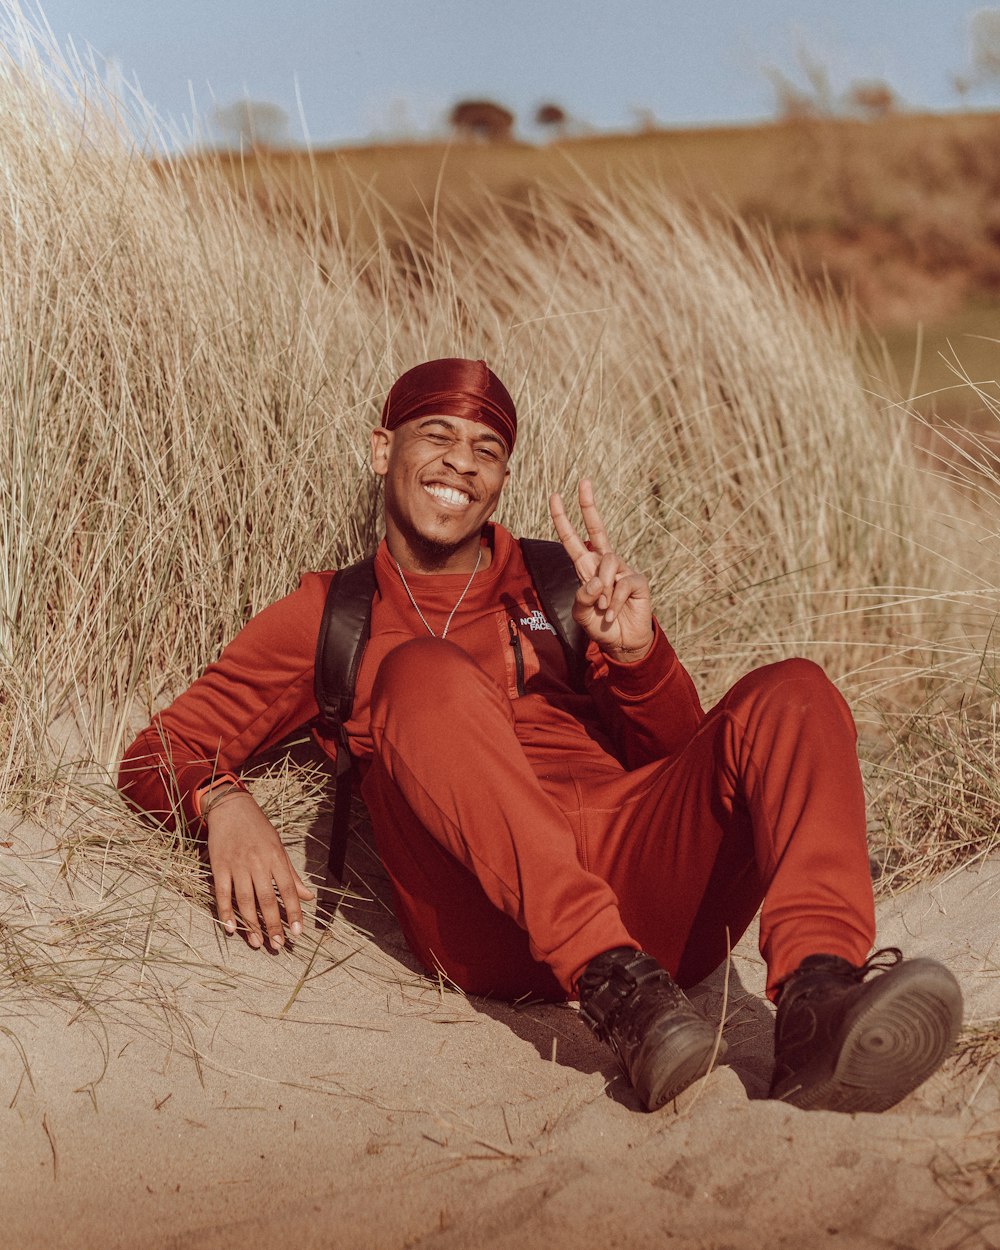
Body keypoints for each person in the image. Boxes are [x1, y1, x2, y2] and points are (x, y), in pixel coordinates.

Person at [118, 357, 962, 1113]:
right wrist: (222, 802)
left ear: (503, 480)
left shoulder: (556, 584)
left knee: (796, 692)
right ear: (383, 450)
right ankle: (617, 989)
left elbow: (676, 762)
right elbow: (160, 747)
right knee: (420, 673)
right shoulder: (328, 616)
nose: (461, 462)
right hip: (487, 922)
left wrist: (637, 656)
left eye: (487, 450)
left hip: (645, 893)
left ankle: (821, 994)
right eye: (437, 436)